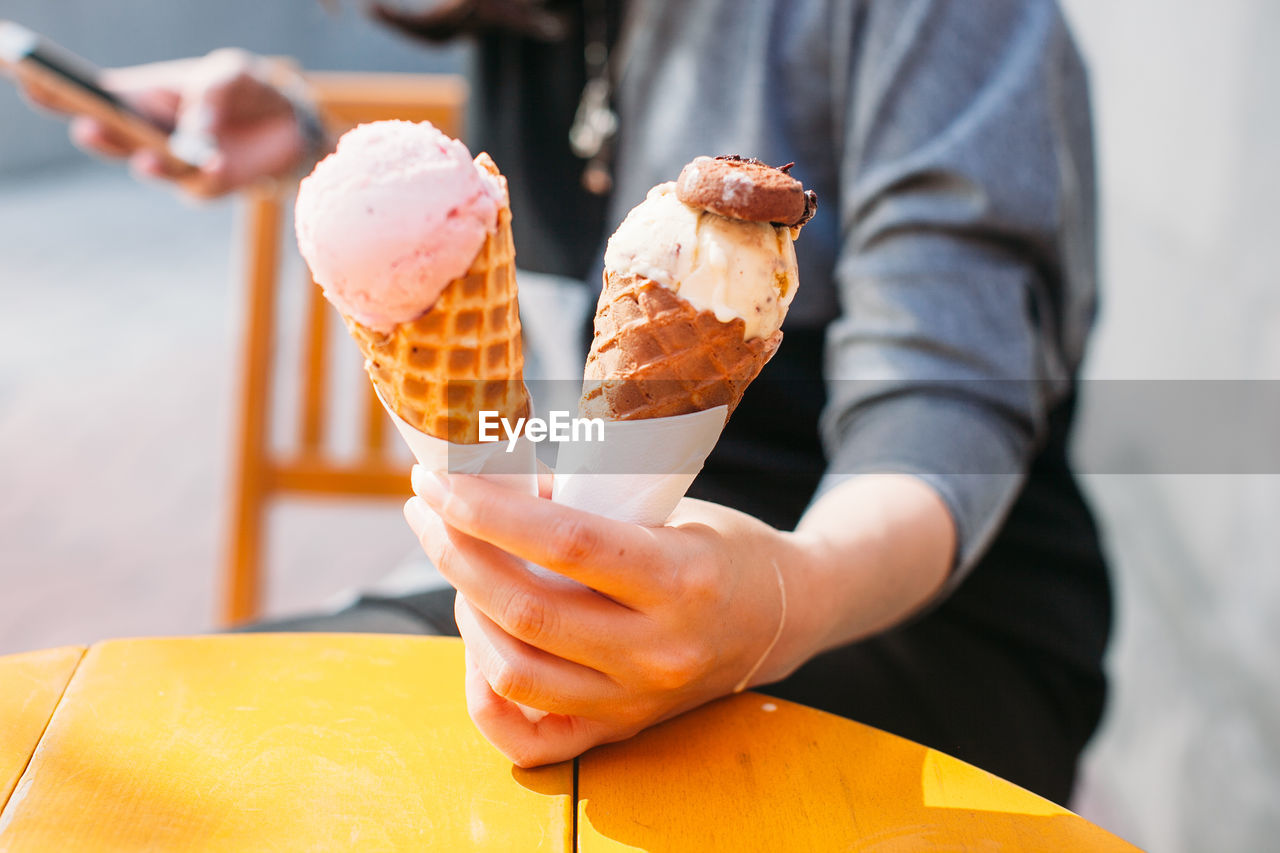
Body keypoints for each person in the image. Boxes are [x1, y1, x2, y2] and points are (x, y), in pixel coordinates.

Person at [24, 0, 1110, 805]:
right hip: (569, 601)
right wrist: (308, 135)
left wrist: (787, 595)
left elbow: (946, 401)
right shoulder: (524, 20)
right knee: (195, 768)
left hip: (897, 613)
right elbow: (514, 314)